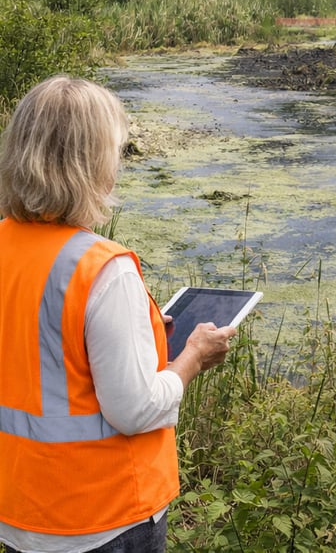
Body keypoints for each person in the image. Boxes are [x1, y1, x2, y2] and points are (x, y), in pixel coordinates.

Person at [0, 75, 237, 553]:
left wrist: (143, 336)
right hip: (102, 518)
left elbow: (41, 354)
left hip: (21, 511)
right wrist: (191, 357)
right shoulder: (101, 269)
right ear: (91, 163)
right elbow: (136, 410)